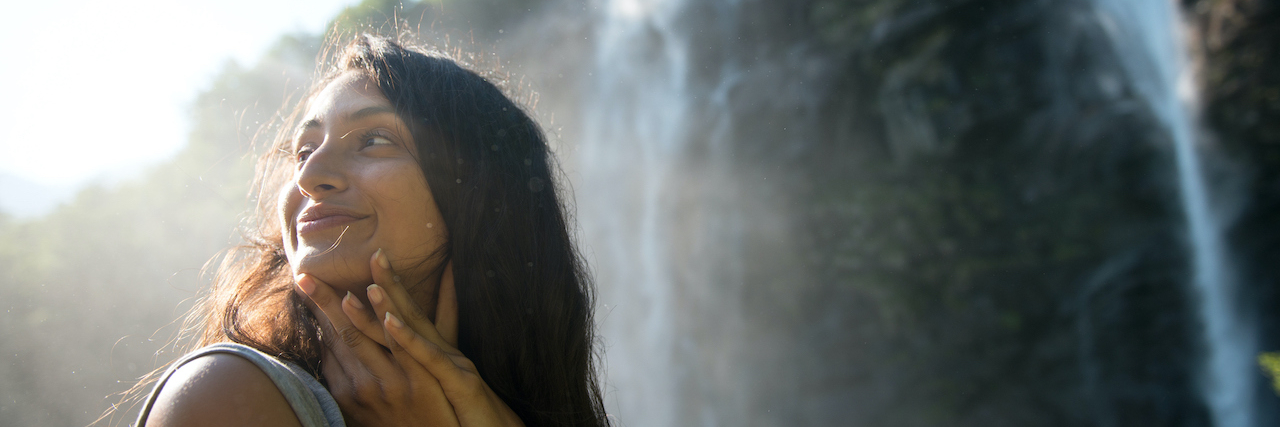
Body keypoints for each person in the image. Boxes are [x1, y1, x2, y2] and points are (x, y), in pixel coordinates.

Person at [131, 34, 609, 427]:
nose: (308, 175)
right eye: (303, 151)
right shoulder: (227, 391)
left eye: (373, 140)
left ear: (480, 194)